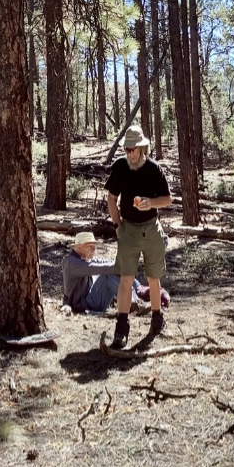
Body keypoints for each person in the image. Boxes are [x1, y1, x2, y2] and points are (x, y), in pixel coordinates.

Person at [105, 125, 172, 348]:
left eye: (133, 149)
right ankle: (121, 328)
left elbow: (167, 199)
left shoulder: (154, 169)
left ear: (142, 148)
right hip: (129, 230)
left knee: (154, 278)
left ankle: (157, 320)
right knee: (126, 279)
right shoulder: (120, 167)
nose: (130, 153)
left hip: (151, 228)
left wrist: (151, 203)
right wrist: (117, 226)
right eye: (127, 149)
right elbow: (111, 198)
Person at [62, 231, 168, 314]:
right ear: (79, 246)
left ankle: (135, 299)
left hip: (89, 299)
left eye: (94, 247)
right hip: (82, 304)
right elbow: (102, 268)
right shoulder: (72, 263)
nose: (94, 250)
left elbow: (107, 263)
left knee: (113, 269)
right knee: (107, 274)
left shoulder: (83, 258)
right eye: (90, 246)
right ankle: (133, 302)